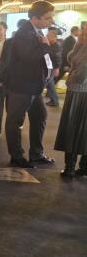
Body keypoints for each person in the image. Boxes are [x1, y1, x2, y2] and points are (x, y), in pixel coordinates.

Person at [4, 1, 56, 168]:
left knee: (40, 117)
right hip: (21, 86)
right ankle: (17, 156)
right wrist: (45, 46)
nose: (51, 20)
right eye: (47, 18)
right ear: (35, 18)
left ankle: (36, 153)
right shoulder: (23, 33)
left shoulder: (36, 31)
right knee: (15, 121)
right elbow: (28, 58)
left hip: (35, 86)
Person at [55, 23, 87, 177]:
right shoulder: (81, 44)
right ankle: (80, 168)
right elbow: (70, 58)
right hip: (78, 92)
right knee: (79, 130)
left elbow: (80, 76)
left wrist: (70, 76)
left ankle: (70, 168)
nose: (82, 33)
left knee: (72, 129)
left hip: (79, 94)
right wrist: (79, 44)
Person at [45, 26, 62, 107]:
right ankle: (54, 100)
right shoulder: (51, 45)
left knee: (45, 83)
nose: (46, 36)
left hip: (52, 69)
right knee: (50, 85)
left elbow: (57, 58)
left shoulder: (56, 46)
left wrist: (57, 68)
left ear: (53, 37)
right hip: (49, 68)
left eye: (48, 36)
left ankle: (54, 101)